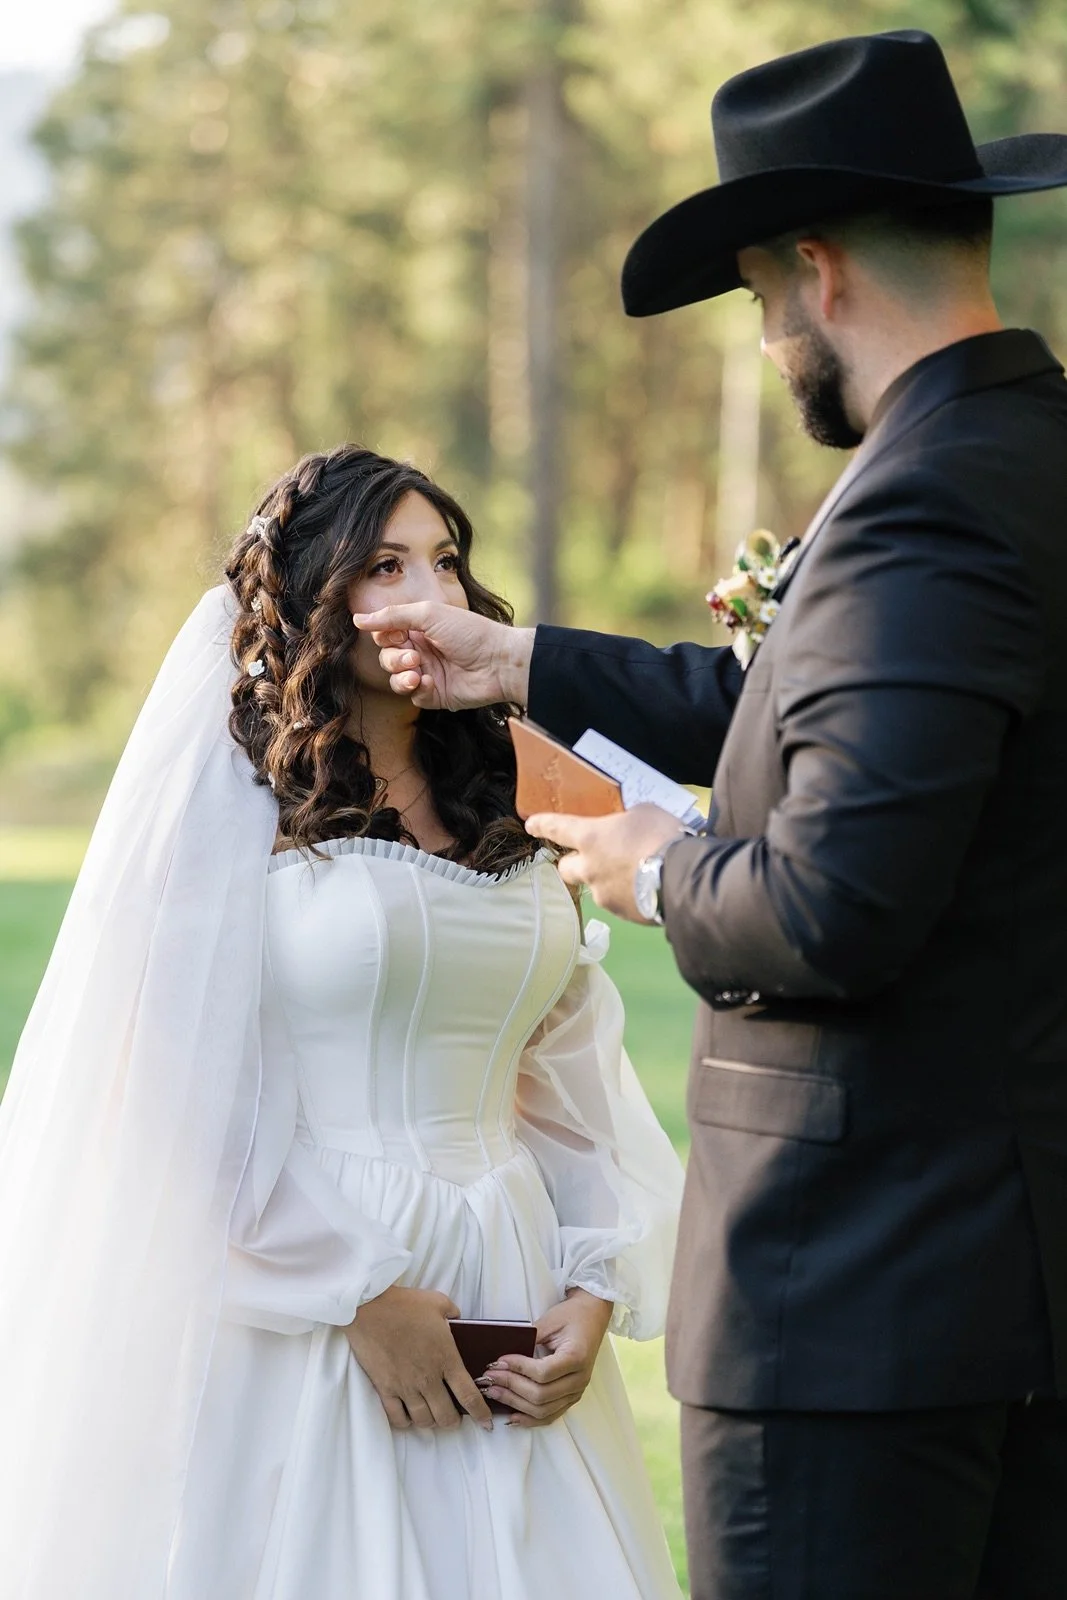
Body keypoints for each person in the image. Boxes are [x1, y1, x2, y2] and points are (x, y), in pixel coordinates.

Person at [354, 31, 1067, 1600]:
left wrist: (650, 862)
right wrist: (514, 658)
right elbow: (815, 711)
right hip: (998, 1279)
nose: (763, 348)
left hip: (858, 1300)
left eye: (753, 303)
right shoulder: (1021, 455)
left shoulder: (923, 499)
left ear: (812, 272)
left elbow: (826, 910)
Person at [0, 445, 685, 1599]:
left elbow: (566, 1058)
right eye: (383, 566)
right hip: (300, 1288)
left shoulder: (513, 790)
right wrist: (355, 1295)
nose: (428, 595)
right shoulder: (236, 803)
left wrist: (588, 1279)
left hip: (508, 1290)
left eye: (445, 562)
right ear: (316, 599)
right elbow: (163, 1084)